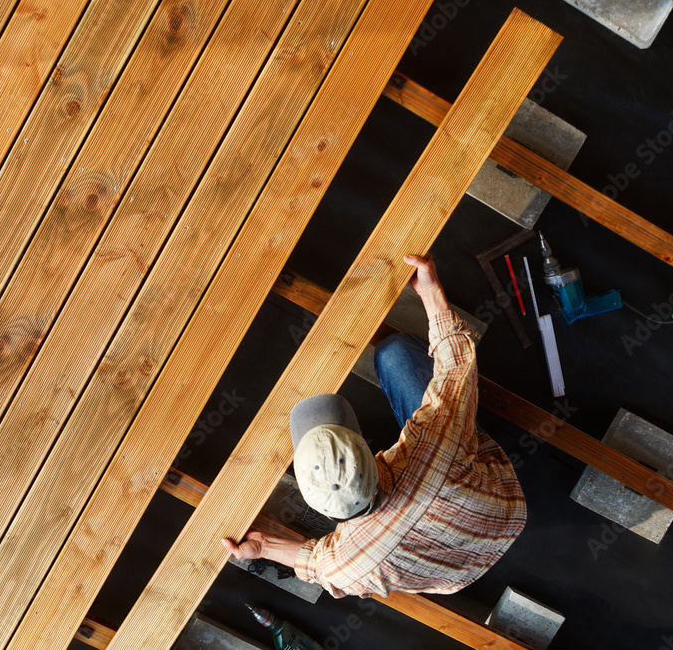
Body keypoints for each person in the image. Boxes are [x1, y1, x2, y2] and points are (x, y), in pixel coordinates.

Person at [222, 254, 527, 597]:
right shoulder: (433, 445)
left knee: (442, 416)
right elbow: (457, 367)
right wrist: (430, 290)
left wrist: (263, 549)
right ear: (364, 448)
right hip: (505, 510)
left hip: (460, 570)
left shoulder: (348, 565)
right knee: (394, 354)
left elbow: (318, 564)